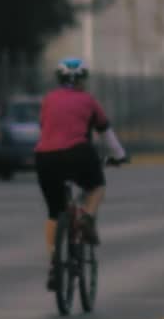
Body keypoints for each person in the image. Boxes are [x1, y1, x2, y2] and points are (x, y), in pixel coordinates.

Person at [35, 56, 127, 290]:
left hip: (45, 158)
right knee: (96, 185)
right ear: (83, 80)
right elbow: (105, 132)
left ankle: (55, 263)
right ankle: (86, 216)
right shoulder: (88, 101)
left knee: (54, 213)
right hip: (77, 153)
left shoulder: (48, 100)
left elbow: (45, 128)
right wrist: (119, 156)